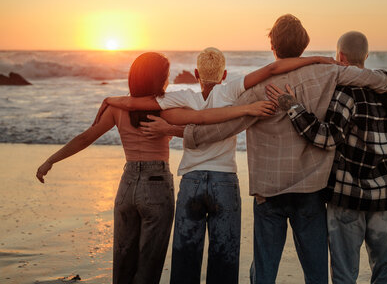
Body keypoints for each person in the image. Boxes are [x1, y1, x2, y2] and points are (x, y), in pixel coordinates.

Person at [143, 15, 387, 284]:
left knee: (264, 273)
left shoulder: (260, 88)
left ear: (272, 46)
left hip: (269, 190)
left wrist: (178, 133)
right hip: (311, 189)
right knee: (316, 274)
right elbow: (371, 78)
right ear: (304, 45)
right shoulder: (330, 73)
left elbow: (224, 126)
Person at [99, 47, 338, 284]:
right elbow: (273, 68)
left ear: (195, 73)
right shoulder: (232, 90)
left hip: (191, 182)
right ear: (224, 75)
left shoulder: (182, 96)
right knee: (224, 259)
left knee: (185, 261)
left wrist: (111, 99)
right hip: (224, 181)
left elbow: (139, 102)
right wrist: (316, 58)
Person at [35, 52, 276, 284]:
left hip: (127, 184)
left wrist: (51, 160)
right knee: (150, 262)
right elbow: (203, 122)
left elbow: (84, 138)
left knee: (122, 257)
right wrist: (245, 110)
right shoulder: (164, 110)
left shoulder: (116, 108)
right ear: (160, 80)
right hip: (157, 185)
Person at [266, 31, 387, 284]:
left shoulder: (346, 93)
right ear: (366, 56)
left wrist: (292, 106)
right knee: (386, 266)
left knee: (345, 274)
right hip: (385, 200)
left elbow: (327, 137)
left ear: (340, 56)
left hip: (347, 199)